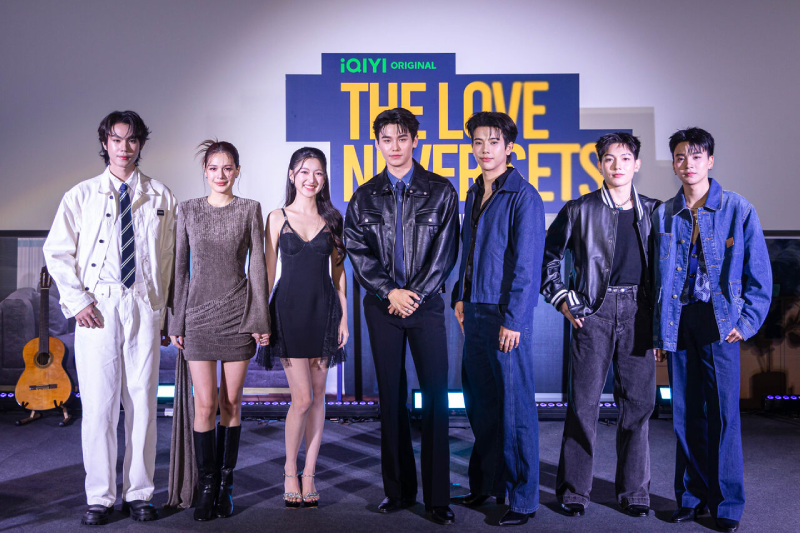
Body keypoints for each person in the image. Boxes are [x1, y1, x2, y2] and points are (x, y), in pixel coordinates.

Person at [43, 110, 176, 525]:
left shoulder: (161, 195)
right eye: (116, 140)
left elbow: (170, 259)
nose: (124, 147)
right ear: (105, 144)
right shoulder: (80, 195)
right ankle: (99, 497)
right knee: (99, 406)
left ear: (141, 144)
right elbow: (56, 251)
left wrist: (165, 312)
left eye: (132, 139)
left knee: (143, 405)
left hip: (143, 304)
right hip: (97, 306)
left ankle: (139, 493)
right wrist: (77, 301)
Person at [344, 108, 459, 525]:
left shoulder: (440, 191)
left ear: (415, 140)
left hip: (426, 306)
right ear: (377, 144)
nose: (394, 146)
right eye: (386, 139)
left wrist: (414, 295)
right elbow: (357, 250)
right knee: (391, 399)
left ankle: (438, 498)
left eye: (401, 138)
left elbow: (445, 252)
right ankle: (397, 491)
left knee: (436, 399)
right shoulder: (364, 196)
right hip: (383, 307)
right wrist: (388, 291)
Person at [653, 128, 771, 533]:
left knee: (723, 416)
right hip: (678, 323)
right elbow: (656, 279)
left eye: (696, 156)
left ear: (711, 161)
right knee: (685, 416)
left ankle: (726, 503)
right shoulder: (665, 213)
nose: (688, 163)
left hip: (720, 326)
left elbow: (759, 275)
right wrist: (659, 333)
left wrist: (746, 322)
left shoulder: (738, 208)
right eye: (680, 157)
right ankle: (691, 497)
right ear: (673, 164)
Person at [541, 132, 660, 518]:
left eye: (625, 158)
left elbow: (667, 271)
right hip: (594, 310)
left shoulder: (654, 211)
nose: (617, 166)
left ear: (637, 164)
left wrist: (661, 323)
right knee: (583, 405)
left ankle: (635, 492)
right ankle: (575, 491)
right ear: (599, 165)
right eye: (609, 159)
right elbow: (547, 258)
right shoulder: (579, 209)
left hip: (640, 313)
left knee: (638, 406)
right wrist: (563, 298)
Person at [451, 112, 545, 526]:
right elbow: (469, 251)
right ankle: (487, 485)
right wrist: (460, 295)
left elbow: (527, 265)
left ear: (510, 148)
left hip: (505, 315)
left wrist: (515, 320)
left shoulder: (524, 196)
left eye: (493, 141)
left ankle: (523, 499)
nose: (485, 149)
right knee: (482, 404)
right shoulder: (474, 192)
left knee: (515, 409)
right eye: (478, 142)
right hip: (473, 309)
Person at [168, 140, 270, 521]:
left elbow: (257, 269)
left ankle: (225, 486)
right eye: (214, 168)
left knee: (231, 404)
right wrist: (176, 321)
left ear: (237, 171)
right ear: (205, 171)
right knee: (205, 405)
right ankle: (206, 487)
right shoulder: (188, 210)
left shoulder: (250, 209)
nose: (221, 174)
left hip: (238, 316)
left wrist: (260, 319)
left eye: (228, 168)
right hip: (197, 318)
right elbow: (180, 269)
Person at [258, 147, 348, 508]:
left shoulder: (333, 219)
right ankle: (289, 470)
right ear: (292, 175)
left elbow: (339, 275)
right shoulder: (276, 218)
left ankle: (309, 473)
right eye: (305, 172)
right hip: (288, 313)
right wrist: (259, 318)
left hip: (324, 312)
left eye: (318, 173)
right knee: (303, 399)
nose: (312, 179)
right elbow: (266, 273)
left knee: (319, 396)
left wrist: (344, 318)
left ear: (324, 178)